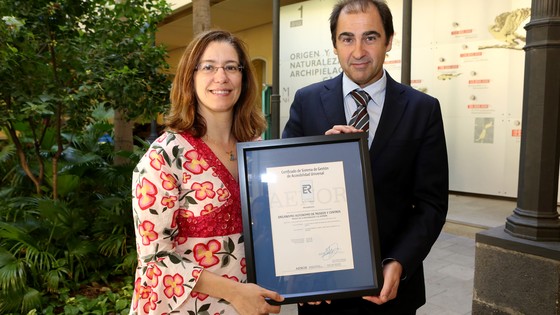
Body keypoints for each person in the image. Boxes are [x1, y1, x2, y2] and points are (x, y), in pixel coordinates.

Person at [282, 0, 449, 314]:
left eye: (370, 37)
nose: (358, 51)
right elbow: (284, 191)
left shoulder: (422, 109)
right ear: (335, 44)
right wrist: (319, 156)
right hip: (322, 289)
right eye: (347, 38)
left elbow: (431, 203)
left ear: (388, 40)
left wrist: (399, 262)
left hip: (392, 289)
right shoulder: (306, 102)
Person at [130, 30, 284, 315]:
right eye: (208, 67)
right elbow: (155, 259)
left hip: (253, 305)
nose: (221, 77)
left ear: (244, 77)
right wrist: (236, 293)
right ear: (190, 76)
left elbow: (278, 224)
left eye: (231, 67)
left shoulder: (257, 147)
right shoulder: (164, 157)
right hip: (190, 307)